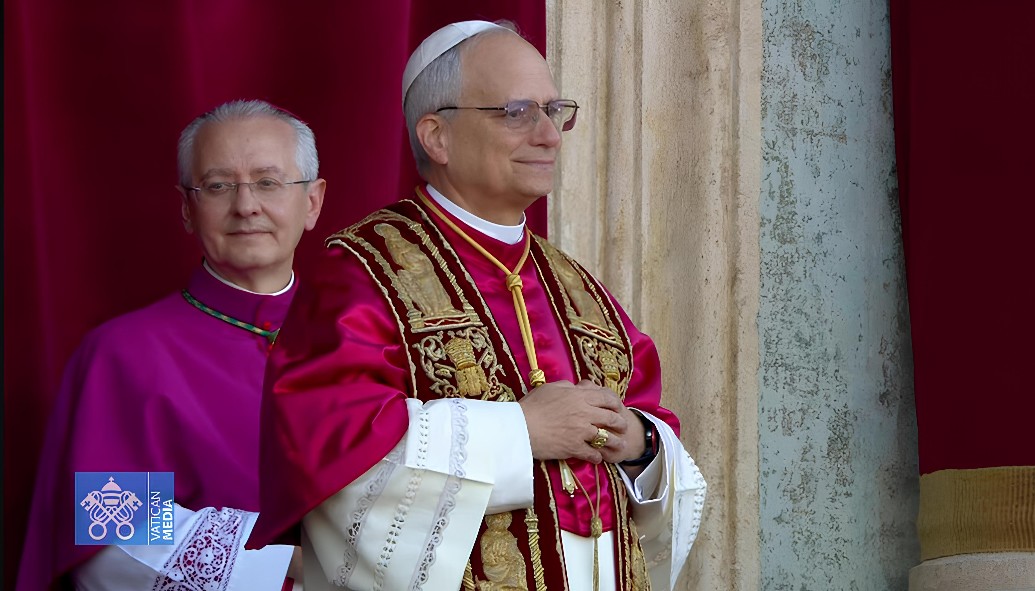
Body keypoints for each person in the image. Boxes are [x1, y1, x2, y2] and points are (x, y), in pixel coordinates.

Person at [248, 21, 706, 591]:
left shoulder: (578, 286)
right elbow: (335, 453)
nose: (549, 135)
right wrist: (520, 432)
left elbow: (654, 426)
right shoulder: (365, 273)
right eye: (517, 112)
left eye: (554, 110)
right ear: (436, 136)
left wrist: (640, 444)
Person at [16, 99, 326, 591]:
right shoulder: (124, 354)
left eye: (268, 183)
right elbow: (108, 537)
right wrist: (281, 566)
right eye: (219, 186)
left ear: (312, 202)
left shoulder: (365, 334)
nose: (246, 206)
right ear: (187, 208)